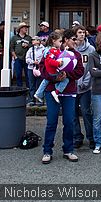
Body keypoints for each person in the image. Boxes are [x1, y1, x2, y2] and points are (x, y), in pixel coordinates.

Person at [42, 29, 84, 164]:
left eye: (76, 39)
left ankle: (68, 149)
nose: (76, 42)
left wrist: (67, 75)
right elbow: (44, 70)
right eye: (73, 39)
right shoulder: (51, 52)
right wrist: (55, 78)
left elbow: (80, 71)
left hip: (70, 91)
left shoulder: (76, 55)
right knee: (51, 121)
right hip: (52, 90)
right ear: (65, 40)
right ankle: (47, 151)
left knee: (69, 121)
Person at [73, 24, 96, 149]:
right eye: (79, 32)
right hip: (72, 87)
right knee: (73, 113)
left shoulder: (91, 49)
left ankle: (91, 137)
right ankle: (77, 137)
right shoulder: (71, 49)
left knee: (86, 112)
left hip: (85, 87)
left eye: (83, 32)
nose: (82, 34)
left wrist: (86, 82)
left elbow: (91, 68)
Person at [34, 32, 63, 104]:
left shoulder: (51, 50)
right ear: (54, 41)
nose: (61, 43)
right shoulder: (51, 51)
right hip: (53, 71)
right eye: (60, 41)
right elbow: (50, 61)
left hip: (51, 71)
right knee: (65, 80)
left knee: (45, 82)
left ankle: (38, 94)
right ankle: (56, 92)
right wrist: (58, 63)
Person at [10, 22, 32, 88]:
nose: (26, 29)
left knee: (28, 75)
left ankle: (28, 89)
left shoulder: (29, 38)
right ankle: (20, 89)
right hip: (18, 59)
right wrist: (15, 56)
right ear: (21, 29)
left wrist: (27, 45)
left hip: (27, 59)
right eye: (25, 27)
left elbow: (32, 47)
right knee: (18, 75)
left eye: (26, 28)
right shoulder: (14, 38)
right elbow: (11, 48)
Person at [25, 36, 45, 105]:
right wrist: (33, 62)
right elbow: (27, 59)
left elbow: (45, 58)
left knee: (40, 84)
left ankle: (39, 99)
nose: (33, 41)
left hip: (40, 69)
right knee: (32, 84)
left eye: (34, 40)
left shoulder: (43, 49)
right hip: (31, 68)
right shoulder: (31, 49)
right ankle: (31, 100)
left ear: (39, 41)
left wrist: (40, 62)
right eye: (32, 40)